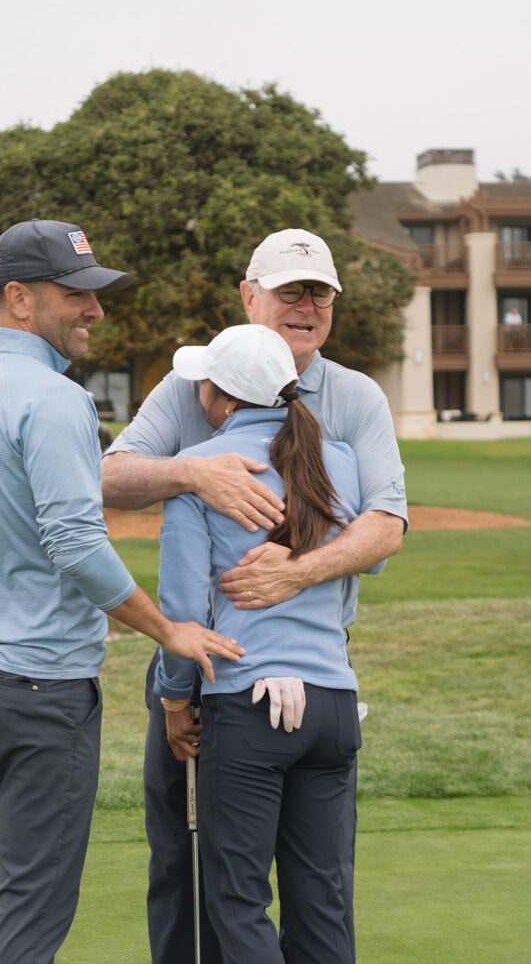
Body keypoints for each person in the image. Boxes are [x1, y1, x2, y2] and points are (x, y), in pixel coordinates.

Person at [0, 219, 244, 964]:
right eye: (75, 295)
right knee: (33, 904)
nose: (94, 311)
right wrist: (167, 630)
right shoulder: (56, 399)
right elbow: (75, 543)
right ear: (19, 299)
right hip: (40, 690)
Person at [101, 228, 408, 964]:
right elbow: (108, 477)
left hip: (222, 679)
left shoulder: (353, 398)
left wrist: (294, 569)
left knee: (238, 893)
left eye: (318, 294)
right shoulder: (209, 406)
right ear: (249, 296)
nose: (305, 306)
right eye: (288, 291)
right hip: (324, 687)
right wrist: (190, 475)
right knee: (195, 864)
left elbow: (386, 527)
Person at [157, 323, 378, 963]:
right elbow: (371, 560)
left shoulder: (200, 471)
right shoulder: (335, 456)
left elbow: (182, 612)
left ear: (222, 399)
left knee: (236, 901)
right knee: (322, 902)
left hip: (247, 706)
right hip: (334, 704)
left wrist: (175, 701)